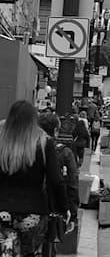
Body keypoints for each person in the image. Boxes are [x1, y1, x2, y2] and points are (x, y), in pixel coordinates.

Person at [0, 101, 68, 257]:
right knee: (29, 251)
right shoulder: (44, 142)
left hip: (2, 207)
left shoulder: (2, 142)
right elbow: (55, 180)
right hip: (32, 209)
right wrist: (63, 207)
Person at [37, 114, 78, 257]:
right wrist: (71, 212)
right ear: (55, 131)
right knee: (49, 243)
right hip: (52, 206)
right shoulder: (64, 152)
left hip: (28, 207)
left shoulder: (27, 148)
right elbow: (72, 182)